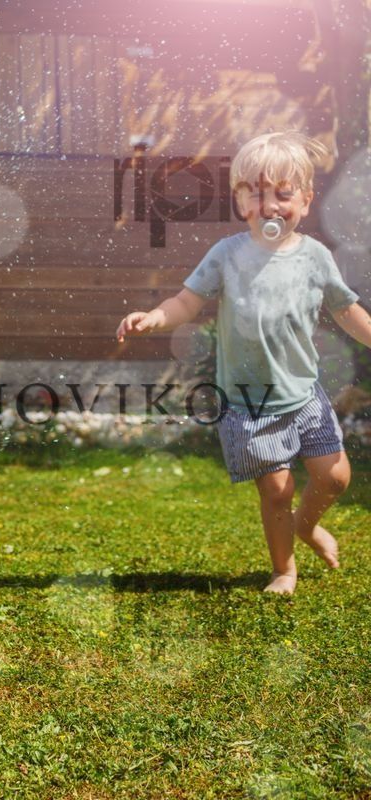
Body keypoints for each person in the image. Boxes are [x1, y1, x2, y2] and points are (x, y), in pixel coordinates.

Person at [116, 131, 371, 594]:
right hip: (251, 400)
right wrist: (156, 317)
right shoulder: (228, 255)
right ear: (240, 202)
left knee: (334, 477)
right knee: (276, 491)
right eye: (255, 193)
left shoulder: (315, 258)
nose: (270, 204)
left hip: (304, 391)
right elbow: (187, 301)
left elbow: (345, 310)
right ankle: (284, 569)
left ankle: (307, 525)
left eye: (283, 193)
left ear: (306, 201)